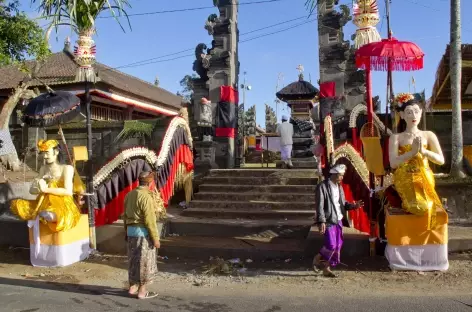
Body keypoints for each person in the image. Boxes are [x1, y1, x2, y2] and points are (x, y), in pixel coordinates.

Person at [11, 139, 81, 232]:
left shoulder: (67, 168)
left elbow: (68, 191)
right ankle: (43, 214)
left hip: (62, 201)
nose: (44, 156)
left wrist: (46, 189)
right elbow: (32, 191)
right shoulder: (43, 168)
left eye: (47, 153)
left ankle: (50, 215)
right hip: (43, 200)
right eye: (43, 153)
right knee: (18, 204)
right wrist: (37, 185)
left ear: (56, 152)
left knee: (56, 214)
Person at [312, 164, 364, 277]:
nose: (342, 178)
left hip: (338, 219)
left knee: (337, 245)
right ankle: (318, 257)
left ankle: (327, 268)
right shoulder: (322, 187)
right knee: (331, 245)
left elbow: (343, 204)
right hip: (328, 220)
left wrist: (354, 206)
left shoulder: (339, 187)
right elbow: (319, 206)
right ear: (335, 174)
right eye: (341, 175)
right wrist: (321, 222)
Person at [123, 170, 160, 299]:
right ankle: (142, 291)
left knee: (133, 260)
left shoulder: (129, 195)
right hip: (142, 233)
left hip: (131, 231)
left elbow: (125, 216)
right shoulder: (146, 197)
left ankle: (133, 287)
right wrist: (155, 238)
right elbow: (150, 220)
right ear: (150, 183)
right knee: (145, 261)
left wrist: (125, 232)